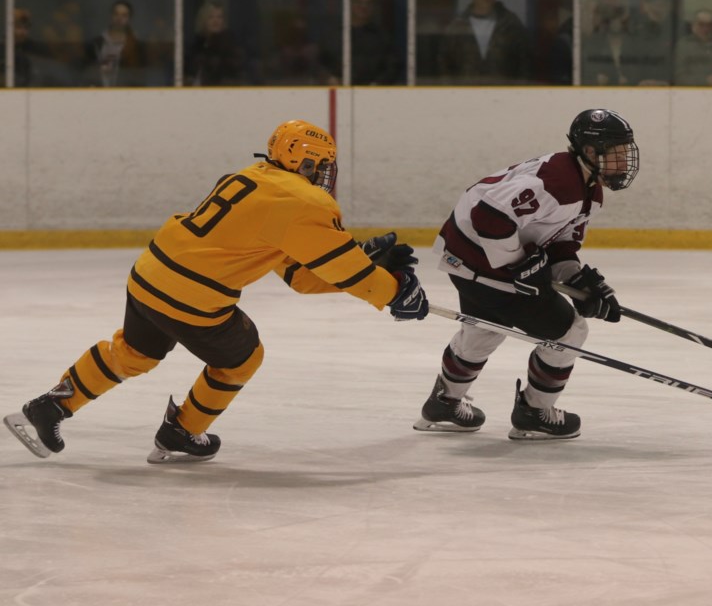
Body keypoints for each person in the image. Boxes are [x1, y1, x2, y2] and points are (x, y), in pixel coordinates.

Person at [4, 119, 429, 464]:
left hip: (149, 275)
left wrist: (362, 261)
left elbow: (301, 276)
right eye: (323, 165)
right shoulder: (305, 202)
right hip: (193, 297)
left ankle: (50, 405)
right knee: (243, 357)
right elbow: (347, 273)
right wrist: (395, 292)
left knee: (135, 352)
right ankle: (182, 431)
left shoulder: (253, 178)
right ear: (307, 163)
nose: (325, 175)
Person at [414, 109, 638, 440]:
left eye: (625, 152)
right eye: (616, 153)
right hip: (481, 260)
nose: (623, 162)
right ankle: (535, 412)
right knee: (569, 333)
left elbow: (559, 244)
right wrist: (518, 264)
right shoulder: (559, 183)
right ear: (590, 152)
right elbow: (489, 217)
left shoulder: (587, 189)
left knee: (486, 330)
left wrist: (578, 281)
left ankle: (444, 403)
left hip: (465, 257)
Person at [437, 0, 532, 84]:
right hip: (467, 96)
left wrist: (519, 92)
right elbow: (444, 62)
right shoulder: (458, 26)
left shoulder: (510, 24)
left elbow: (525, 61)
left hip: (503, 95)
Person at [85, 0, 146, 87]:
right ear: (111, 16)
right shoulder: (96, 43)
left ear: (129, 19)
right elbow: (88, 73)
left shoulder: (136, 46)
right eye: (116, 14)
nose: (119, 18)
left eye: (124, 15)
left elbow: (139, 78)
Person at [186, 2, 245, 86]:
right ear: (203, 19)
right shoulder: (197, 43)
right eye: (211, 17)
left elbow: (233, 73)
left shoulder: (229, 44)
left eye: (219, 17)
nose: (215, 20)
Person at [673, 8, 712, 86]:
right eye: (701, 24)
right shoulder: (684, 45)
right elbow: (678, 76)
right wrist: (704, 80)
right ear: (693, 25)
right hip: (693, 93)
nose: (706, 29)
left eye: (710, 25)